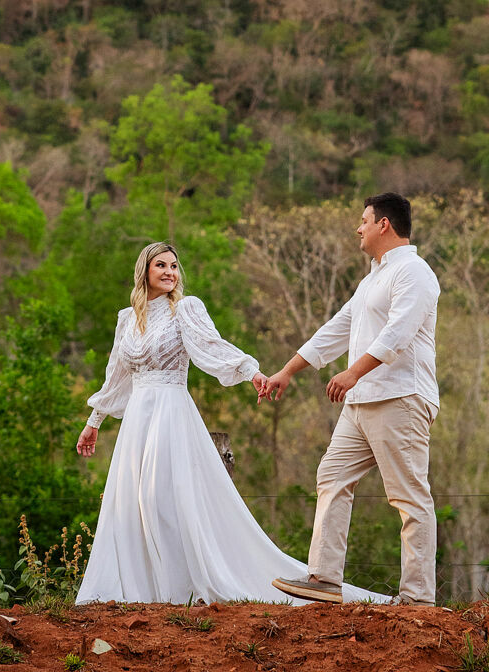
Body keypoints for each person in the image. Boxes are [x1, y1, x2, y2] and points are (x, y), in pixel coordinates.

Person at [74, 240, 386, 605]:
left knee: (161, 499)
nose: (170, 273)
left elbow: (212, 346)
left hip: (170, 412)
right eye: (161, 265)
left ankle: (179, 591)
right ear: (144, 271)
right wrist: (94, 421)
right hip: (137, 423)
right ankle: (143, 591)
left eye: (174, 266)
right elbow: (116, 376)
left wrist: (250, 371)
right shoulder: (127, 319)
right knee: (135, 502)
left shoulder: (185, 309)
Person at [261, 192, 441, 606]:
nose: (357, 228)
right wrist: (288, 370)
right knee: (331, 476)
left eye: (363, 221)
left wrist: (352, 371)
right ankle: (324, 579)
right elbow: (335, 329)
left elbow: (398, 334)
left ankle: (417, 598)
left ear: (384, 225)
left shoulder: (414, 272)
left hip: (401, 398)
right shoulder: (370, 280)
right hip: (360, 404)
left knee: (409, 496)